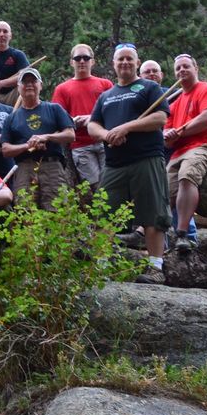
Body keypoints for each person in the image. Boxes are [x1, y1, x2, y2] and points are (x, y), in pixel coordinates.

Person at [87, 43, 172, 284]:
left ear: (137, 62)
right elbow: (93, 125)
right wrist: (107, 135)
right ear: (113, 64)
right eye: (120, 59)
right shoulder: (106, 96)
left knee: (153, 212)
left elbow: (160, 118)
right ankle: (101, 266)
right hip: (114, 163)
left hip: (146, 158)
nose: (124, 63)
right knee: (103, 213)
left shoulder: (149, 87)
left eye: (129, 59)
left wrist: (126, 127)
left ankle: (156, 267)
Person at [163, 54, 207, 252]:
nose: (181, 70)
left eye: (186, 66)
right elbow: (167, 136)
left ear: (196, 68)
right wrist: (168, 135)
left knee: (187, 175)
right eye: (178, 68)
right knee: (163, 189)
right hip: (180, 151)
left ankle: (183, 234)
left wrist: (179, 132)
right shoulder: (174, 103)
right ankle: (151, 236)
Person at [1, 67, 76, 208]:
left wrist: (46, 137)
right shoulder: (11, 118)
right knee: (26, 212)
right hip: (24, 168)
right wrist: (28, 145)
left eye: (33, 81)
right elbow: (5, 149)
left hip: (52, 166)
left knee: (58, 211)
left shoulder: (54, 109)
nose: (29, 84)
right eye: (25, 82)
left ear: (40, 85)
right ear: (18, 88)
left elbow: (70, 135)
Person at [51, 44, 114, 190]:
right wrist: (72, 122)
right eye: (78, 58)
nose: (82, 61)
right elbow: (57, 120)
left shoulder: (105, 84)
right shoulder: (62, 89)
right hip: (81, 146)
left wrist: (91, 118)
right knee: (97, 187)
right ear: (71, 62)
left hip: (106, 140)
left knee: (112, 183)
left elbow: (114, 112)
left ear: (93, 61)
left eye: (86, 58)